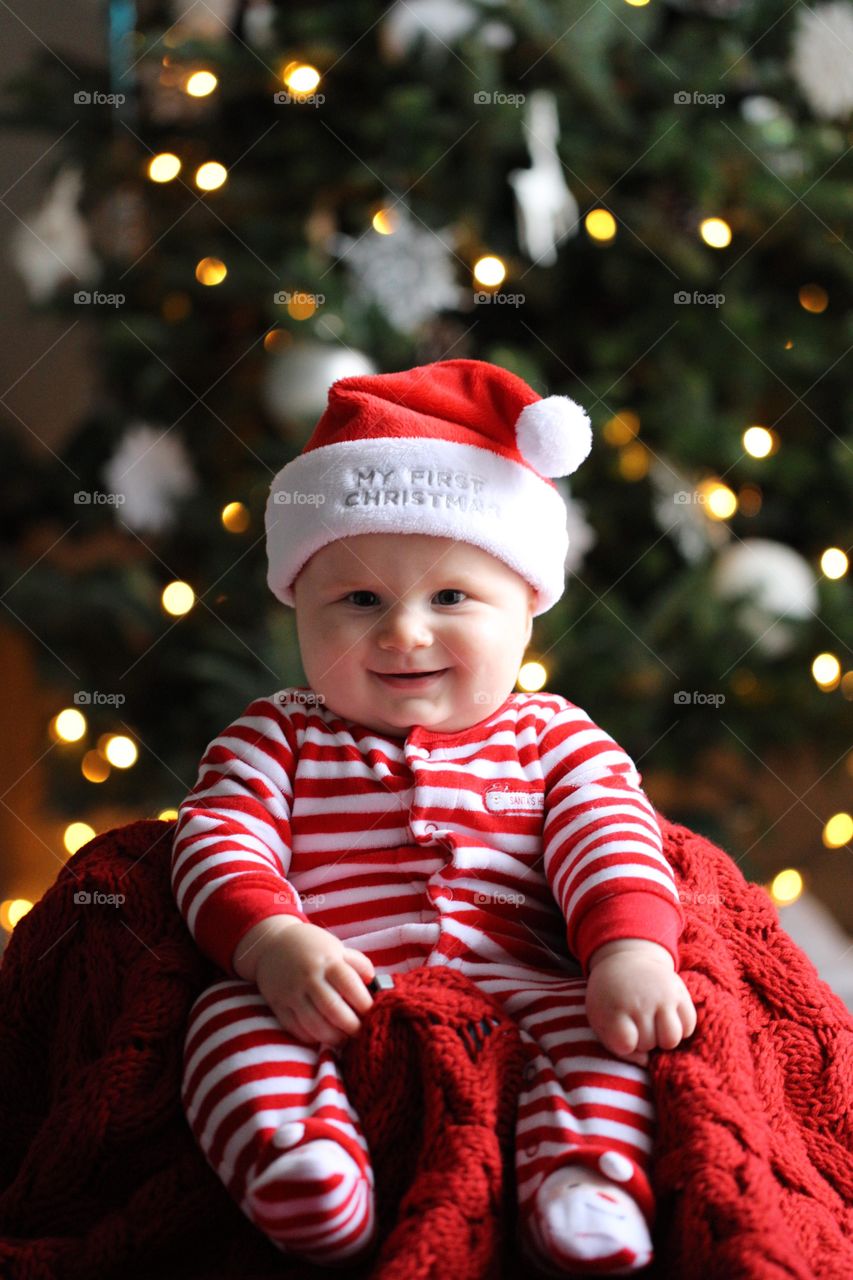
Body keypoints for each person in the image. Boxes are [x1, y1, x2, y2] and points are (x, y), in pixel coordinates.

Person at [172, 358, 697, 1276]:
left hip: (517, 990)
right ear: (300, 609)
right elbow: (218, 837)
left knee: (606, 1032)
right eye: (360, 599)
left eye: (451, 597)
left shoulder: (550, 736)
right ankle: (301, 1162)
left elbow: (610, 834)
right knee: (224, 1021)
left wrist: (626, 951)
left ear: (525, 612)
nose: (404, 631)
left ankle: (584, 1176)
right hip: (337, 992)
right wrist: (270, 944)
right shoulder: (282, 733)